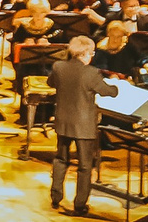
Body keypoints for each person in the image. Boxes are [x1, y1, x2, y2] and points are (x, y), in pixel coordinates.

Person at [48, 33, 109, 215]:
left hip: (64, 123)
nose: (92, 56)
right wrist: (118, 86)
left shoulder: (58, 66)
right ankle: (80, 204)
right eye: (91, 53)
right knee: (84, 166)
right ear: (85, 53)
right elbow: (108, 92)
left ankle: (55, 197)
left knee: (60, 159)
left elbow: (50, 82)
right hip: (84, 126)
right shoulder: (91, 73)